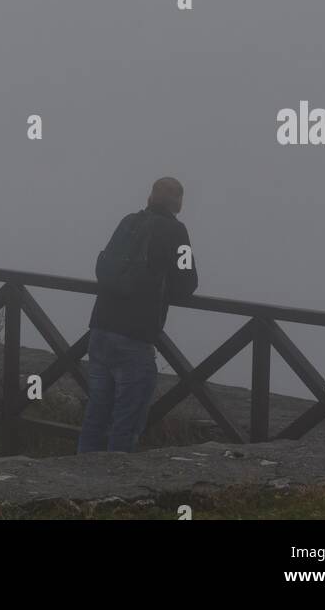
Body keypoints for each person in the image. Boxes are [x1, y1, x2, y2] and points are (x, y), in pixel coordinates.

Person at [77, 176, 199, 454]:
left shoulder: (128, 222)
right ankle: (112, 488)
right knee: (126, 423)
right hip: (134, 337)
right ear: (178, 203)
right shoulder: (176, 231)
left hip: (100, 329)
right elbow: (187, 283)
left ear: (150, 198)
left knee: (95, 415)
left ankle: (80, 480)